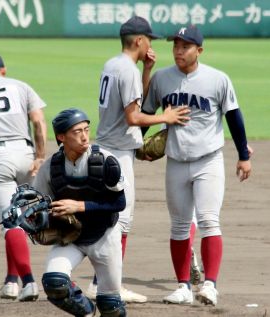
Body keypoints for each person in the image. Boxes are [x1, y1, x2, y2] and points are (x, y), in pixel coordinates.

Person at [142, 25, 252, 306]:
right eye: (175, 46)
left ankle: (210, 285)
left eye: (185, 46)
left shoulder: (217, 79)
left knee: (208, 221)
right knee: (179, 227)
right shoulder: (162, 79)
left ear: (199, 50)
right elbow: (145, 114)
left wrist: (243, 155)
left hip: (209, 161)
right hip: (176, 162)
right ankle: (182, 287)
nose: (178, 51)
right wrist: (133, 146)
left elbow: (234, 118)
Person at [84, 15, 191, 303]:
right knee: (121, 221)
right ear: (140, 41)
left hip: (106, 148)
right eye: (150, 40)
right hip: (117, 154)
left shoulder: (113, 64)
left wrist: (147, 70)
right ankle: (110, 286)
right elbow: (134, 116)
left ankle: (100, 282)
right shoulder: (126, 70)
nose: (152, 45)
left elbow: (132, 101)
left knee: (110, 219)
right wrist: (165, 118)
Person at [32, 108, 127, 317]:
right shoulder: (51, 167)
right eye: (77, 131)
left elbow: (119, 203)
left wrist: (79, 206)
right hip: (70, 237)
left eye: (86, 129)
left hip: (104, 236)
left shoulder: (105, 161)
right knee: (55, 283)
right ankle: (87, 313)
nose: (84, 136)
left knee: (111, 306)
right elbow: (39, 203)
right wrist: (32, 218)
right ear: (61, 137)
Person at [0, 51, 47, 300]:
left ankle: (28, 281)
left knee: (11, 223)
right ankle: (11, 281)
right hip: (25, 154)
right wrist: (39, 157)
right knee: (19, 219)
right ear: (3, 70)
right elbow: (38, 122)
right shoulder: (20, 86)